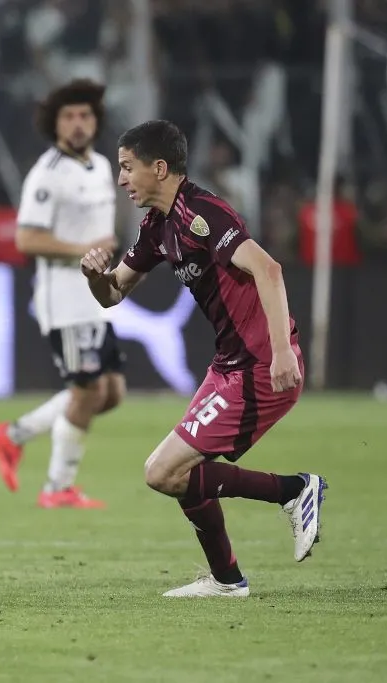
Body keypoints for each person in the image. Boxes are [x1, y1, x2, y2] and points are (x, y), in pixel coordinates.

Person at [81, 120, 326, 597]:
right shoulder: (156, 226)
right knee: (171, 474)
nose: (121, 179)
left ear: (159, 167)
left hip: (259, 367)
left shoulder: (204, 212)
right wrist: (94, 275)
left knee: (163, 471)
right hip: (229, 366)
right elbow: (112, 295)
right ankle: (228, 578)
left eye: (128, 168)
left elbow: (268, 270)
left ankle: (294, 491)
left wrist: (281, 351)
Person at [0, 79, 124, 509]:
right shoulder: (47, 174)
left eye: (85, 115)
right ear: (55, 123)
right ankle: (57, 488)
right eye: (69, 116)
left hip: (96, 298)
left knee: (111, 392)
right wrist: (86, 249)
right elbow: (26, 240)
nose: (78, 124)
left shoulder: (101, 165)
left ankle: (13, 434)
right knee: (87, 391)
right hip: (64, 299)